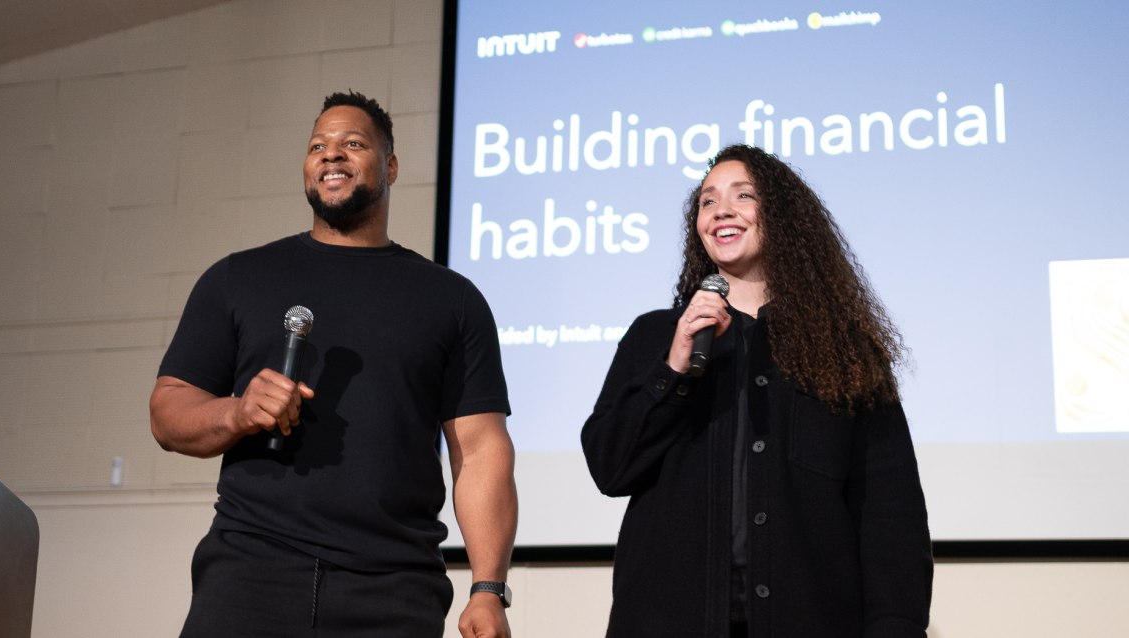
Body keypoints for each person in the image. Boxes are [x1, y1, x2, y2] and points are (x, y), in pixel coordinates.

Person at [149, 91, 517, 638]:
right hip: (251, 573)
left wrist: (488, 589)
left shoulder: (452, 300)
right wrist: (236, 412)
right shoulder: (238, 278)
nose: (331, 155)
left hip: (395, 588)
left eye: (352, 144)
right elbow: (167, 413)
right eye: (318, 145)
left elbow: (481, 451)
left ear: (390, 165)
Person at [581, 144, 932, 637]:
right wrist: (674, 366)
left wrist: (897, 627)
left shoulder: (843, 345)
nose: (721, 209)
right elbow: (609, 466)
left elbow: (890, 512)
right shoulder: (656, 336)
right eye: (707, 200)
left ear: (782, 216)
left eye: (743, 195)